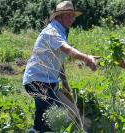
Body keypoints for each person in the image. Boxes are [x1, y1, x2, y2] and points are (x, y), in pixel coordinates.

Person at [23, 1, 97, 132]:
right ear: (60, 16)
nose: (73, 19)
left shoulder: (61, 31)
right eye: (69, 15)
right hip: (38, 82)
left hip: (48, 83)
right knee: (59, 118)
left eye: (73, 16)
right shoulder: (52, 31)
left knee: (43, 124)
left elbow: (59, 59)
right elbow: (67, 50)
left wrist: (64, 82)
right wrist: (86, 58)